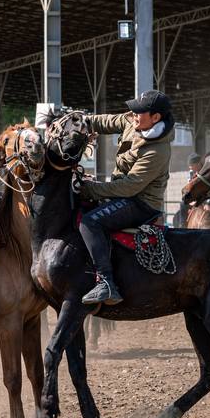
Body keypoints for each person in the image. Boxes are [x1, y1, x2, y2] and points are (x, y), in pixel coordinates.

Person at [77, 90, 175, 305]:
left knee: (90, 222)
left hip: (141, 203)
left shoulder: (158, 150)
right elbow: (108, 121)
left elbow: (130, 187)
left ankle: (106, 283)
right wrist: (81, 122)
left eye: (139, 111)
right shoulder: (135, 122)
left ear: (155, 118)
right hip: (122, 194)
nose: (133, 113)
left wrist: (91, 189)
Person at [174, 153, 202, 227]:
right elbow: (189, 187)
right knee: (183, 204)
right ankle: (182, 225)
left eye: (192, 165)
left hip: (206, 197)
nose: (190, 167)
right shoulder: (191, 173)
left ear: (198, 164)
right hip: (195, 197)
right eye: (189, 165)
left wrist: (207, 202)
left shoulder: (204, 172)